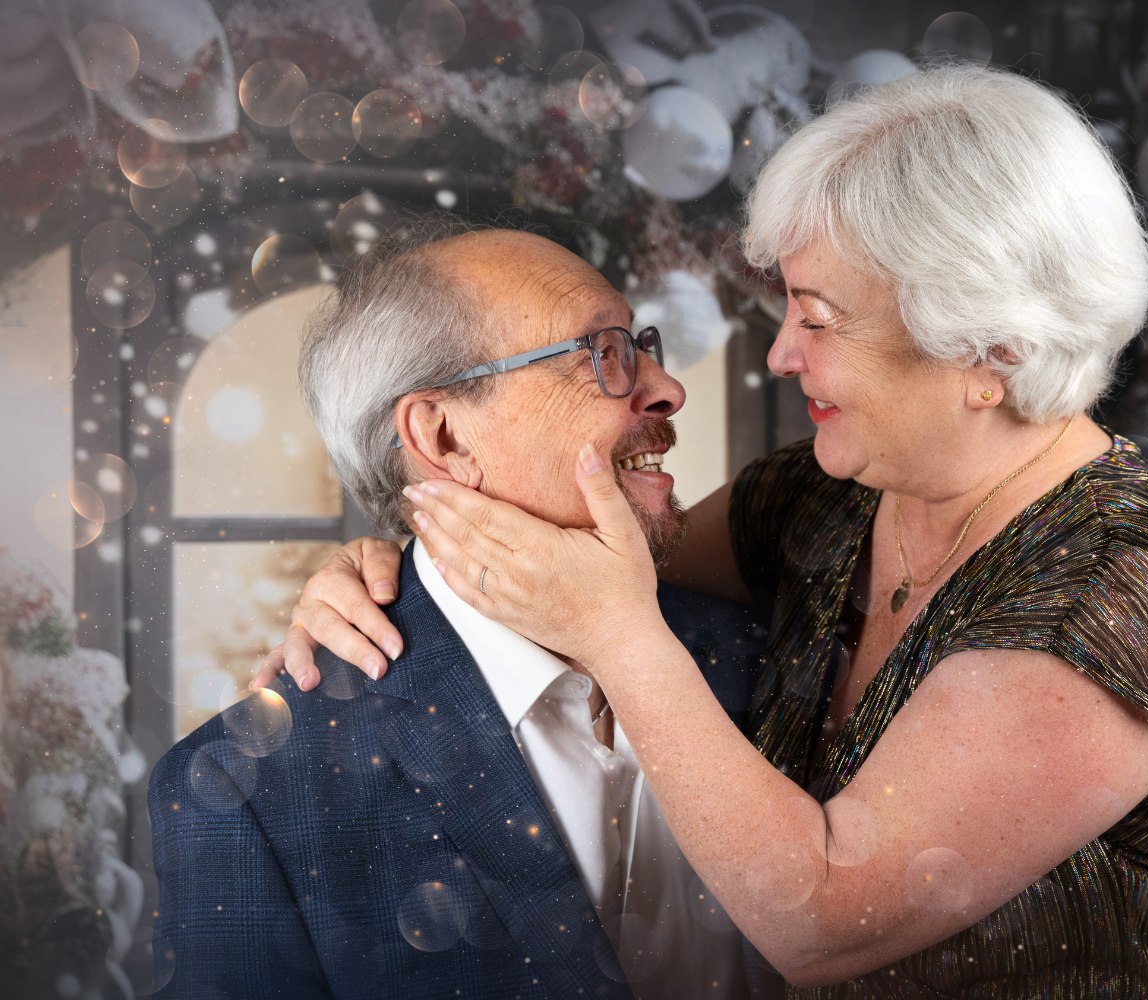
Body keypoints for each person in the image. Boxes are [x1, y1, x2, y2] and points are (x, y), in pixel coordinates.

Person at [258, 65, 1148, 996]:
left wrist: (622, 636)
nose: (782, 355)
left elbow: (827, 916)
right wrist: (389, 565)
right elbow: (573, 548)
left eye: (819, 317)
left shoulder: (1132, 589)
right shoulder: (827, 498)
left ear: (989, 348)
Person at [151, 218, 758, 999]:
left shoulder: (774, 652)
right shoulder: (251, 795)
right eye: (601, 353)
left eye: (637, 344)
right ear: (442, 435)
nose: (665, 387)